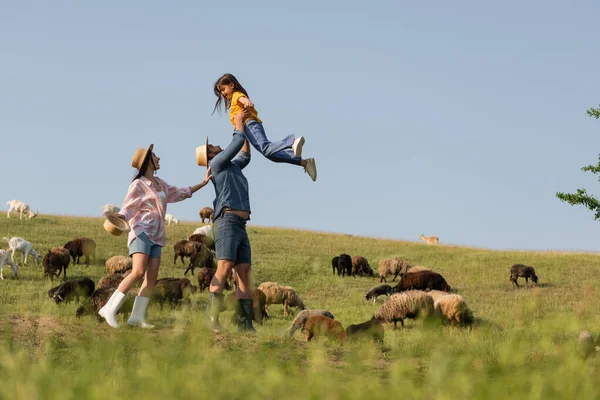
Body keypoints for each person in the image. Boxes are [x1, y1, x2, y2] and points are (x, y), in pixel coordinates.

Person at [99, 145, 211, 328]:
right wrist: (120, 217)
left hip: (157, 235)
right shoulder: (138, 184)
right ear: (148, 162)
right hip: (142, 231)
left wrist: (203, 183)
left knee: (151, 277)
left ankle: (137, 317)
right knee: (138, 271)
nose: (159, 158)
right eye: (155, 156)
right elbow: (128, 207)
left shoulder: (160, 184)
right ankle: (109, 308)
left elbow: (180, 192)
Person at [196, 109, 255, 333]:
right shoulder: (218, 163)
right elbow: (237, 141)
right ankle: (211, 319)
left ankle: (244, 323)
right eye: (211, 147)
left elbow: (245, 154)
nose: (215, 146)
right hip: (227, 220)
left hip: (240, 224)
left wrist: (246, 128)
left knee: (244, 270)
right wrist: (239, 120)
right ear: (210, 155)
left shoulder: (232, 165)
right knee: (224, 266)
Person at [212, 73, 318, 182]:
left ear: (232, 85)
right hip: (248, 129)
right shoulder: (233, 102)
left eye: (223, 89)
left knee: (266, 149)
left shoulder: (236, 96)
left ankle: (291, 142)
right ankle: (304, 162)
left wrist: (247, 102)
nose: (222, 93)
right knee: (271, 156)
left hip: (250, 125)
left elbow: (242, 98)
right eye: (220, 92)